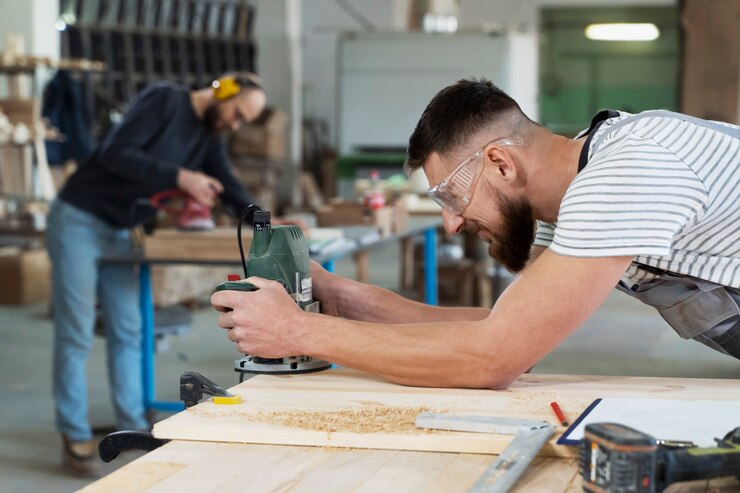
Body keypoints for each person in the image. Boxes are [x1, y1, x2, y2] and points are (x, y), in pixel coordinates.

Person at [211, 78, 739, 392]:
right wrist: (344, 295)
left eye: (450, 196)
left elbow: (496, 357)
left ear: (500, 163)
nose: (452, 223)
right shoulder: (578, 190)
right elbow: (508, 330)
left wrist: (297, 333)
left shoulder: (626, 172)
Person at [47, 72, 283, 476]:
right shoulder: (164, 100)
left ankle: (132, 427)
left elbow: (226, 182)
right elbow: (115, 152)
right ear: (222, 90)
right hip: (80, 220)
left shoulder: (208, 136)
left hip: (123, 230)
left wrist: (266, 222)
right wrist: (180, 177)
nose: (235, 125)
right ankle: (74, 434)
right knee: (76, 330)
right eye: (237, 114)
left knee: (130, 329)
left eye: (244, 122)